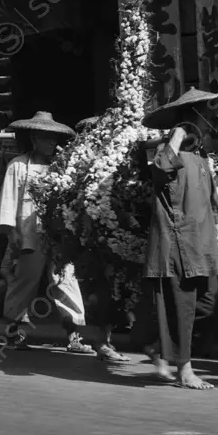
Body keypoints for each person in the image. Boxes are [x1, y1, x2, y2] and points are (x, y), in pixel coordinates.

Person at [137, 88, 218, 389]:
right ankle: (184, 369)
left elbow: (210, 199)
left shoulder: (200, 156)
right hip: (179, 243)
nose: (215, 122)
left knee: (207, 302)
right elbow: (160, 170)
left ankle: (158, 343)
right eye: (210, 115)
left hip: (204, 242)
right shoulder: (169, 153)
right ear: (192, 118)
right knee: (183, 305)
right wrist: (177, 133)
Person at [0, 111, 91, 353]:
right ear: (34, 139)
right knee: (24, 284)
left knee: (66, 281)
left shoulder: (64, 167)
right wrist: (11, 233)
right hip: (28, 233)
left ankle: (74, 336)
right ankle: (14, 333)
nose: (52, 143)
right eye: (46, 138)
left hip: (59, 236)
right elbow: (9, 200)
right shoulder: (17, 166)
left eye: (54, 139)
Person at [69, 117, 130, 363]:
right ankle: (101, 342)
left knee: (114, 292)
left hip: (114, 237)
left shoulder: (115, 162)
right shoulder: (81, 169)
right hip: (93, 241)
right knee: (99, 292)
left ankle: (106, 340)